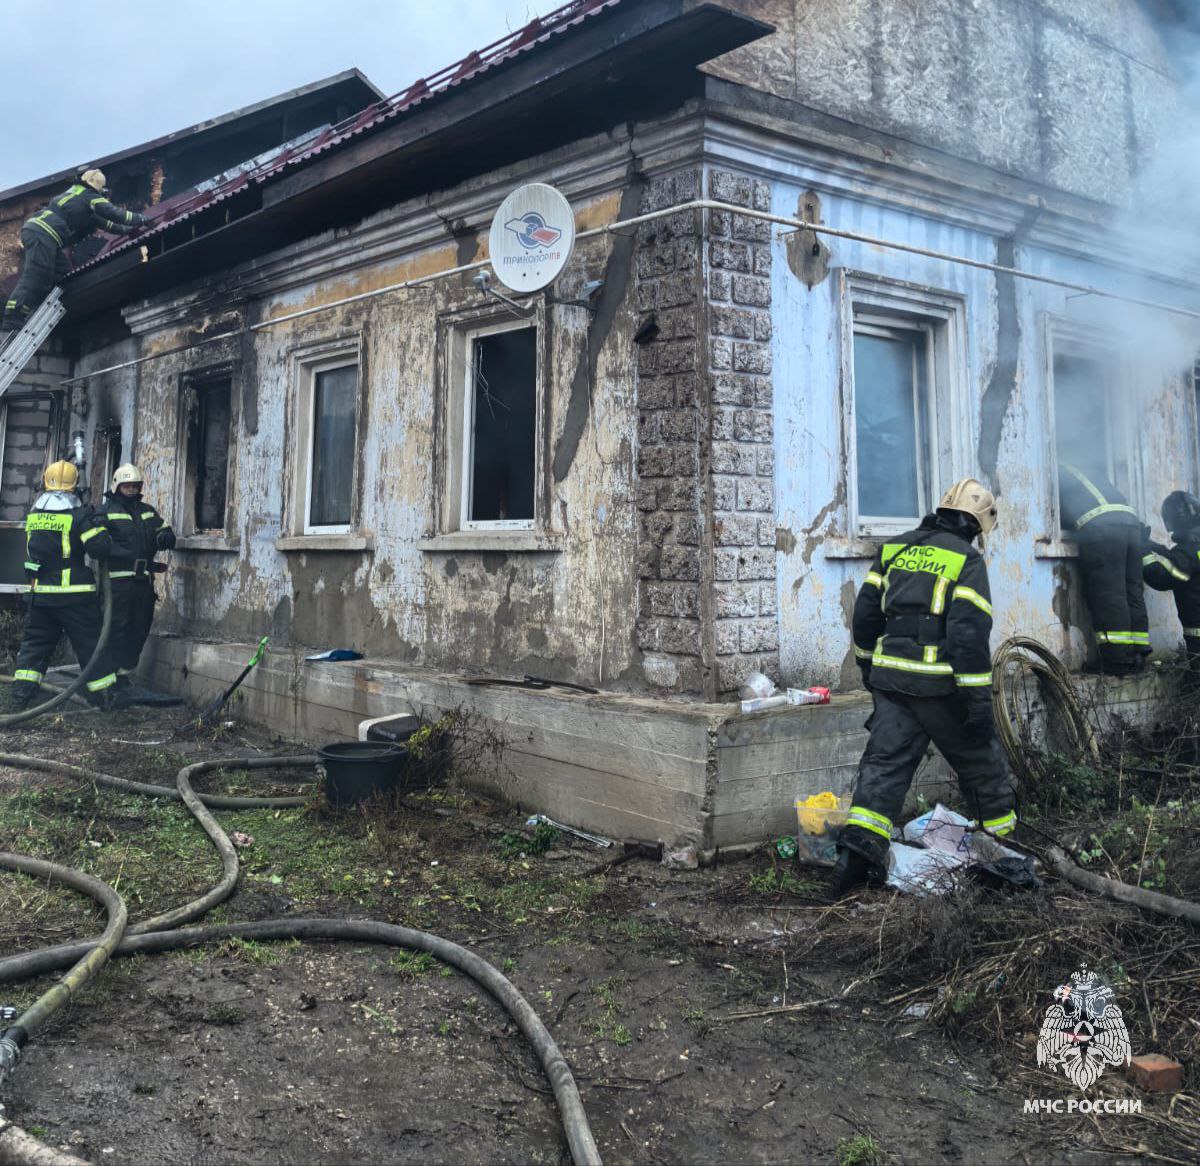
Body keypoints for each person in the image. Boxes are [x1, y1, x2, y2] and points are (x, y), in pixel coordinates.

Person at [837, 478, 1015, 892]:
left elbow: (864, 615)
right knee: (984, 767)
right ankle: (1006, 860)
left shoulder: (895, 548)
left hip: (891, 682)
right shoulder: (967, 561)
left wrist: (868, 668)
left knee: (883, 770)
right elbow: (968, 636)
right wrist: (977, 703)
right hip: (941, 689)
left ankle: (850, 869)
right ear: (974, 526)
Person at [9, 460, 119, 710]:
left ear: (46, 481)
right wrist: (98, 524)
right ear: (74, 486)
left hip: (41, 597)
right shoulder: (78, 515)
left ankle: (19, 701)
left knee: (34, 648)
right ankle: (104, 699)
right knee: (90, 646)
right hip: (74, 598)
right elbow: (99, 548)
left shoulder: (35, 514)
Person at [2, 169, 148, 331]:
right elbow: (114, 213)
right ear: (98, 188)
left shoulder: (78, 197)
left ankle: (43, 304)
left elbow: (109, 225)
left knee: (63, 274)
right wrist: (141, 219)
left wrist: (127, 231)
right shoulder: (89, 197)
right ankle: (13, 316)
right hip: (43, 233)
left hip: (43, 234)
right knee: (38, 273)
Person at [1057, 462, 1150, 674]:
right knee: (1132, 590)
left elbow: (1059, 512)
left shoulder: (1059, 471)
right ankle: (1139, 652)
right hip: (1131, 522)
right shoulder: (1091, 468)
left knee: (1110, 595)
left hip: (1102, 526)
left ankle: (1118, 661)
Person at [93, 463, 175, 691]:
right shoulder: (104, 512)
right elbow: (97, 544)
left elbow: (162, 529)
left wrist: (166, 536)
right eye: (127, 485)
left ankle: (123, 676)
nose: (131, 489)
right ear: (117, 486)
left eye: (135, 485)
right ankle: (108, 679)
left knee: (139, 629)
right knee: (115, 629)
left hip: (143, 582)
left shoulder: (147, 510)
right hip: (118, 583)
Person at [1142, 490, 1200, 675]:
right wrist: (1154, 546)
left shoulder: (1190, 550)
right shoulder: (1192, 548)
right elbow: (1179, 561)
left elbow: (1164, 576)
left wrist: (1143, 551)